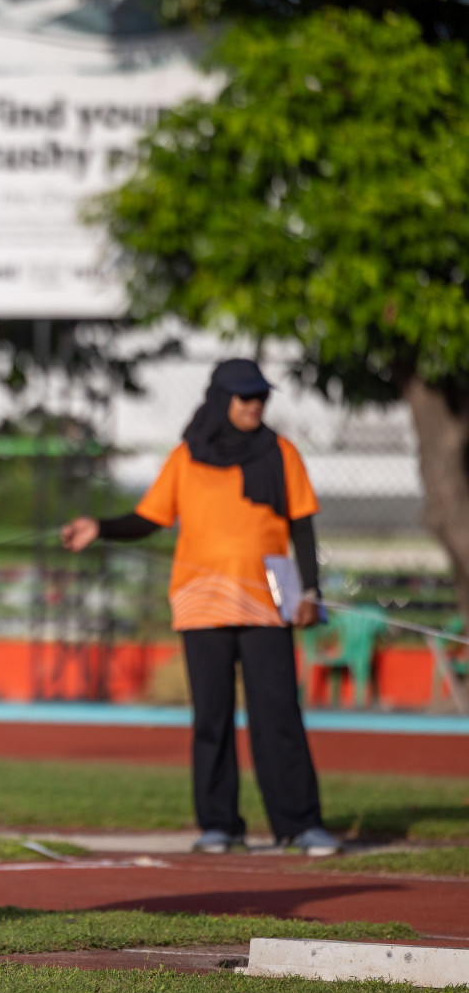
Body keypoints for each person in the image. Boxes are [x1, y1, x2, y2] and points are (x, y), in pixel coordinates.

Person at [61, 359, 339, 856]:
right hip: (199, 603)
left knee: (278, 715)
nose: (255, 405)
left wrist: (310, 593)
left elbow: (302, 526)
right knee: (212, 718)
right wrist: (100, 527)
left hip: (266, 605)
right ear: (220, 400)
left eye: (260, 397)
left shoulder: (282, 453)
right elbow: (149, 518)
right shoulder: (186, 458)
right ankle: (219, 825)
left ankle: (300, 824)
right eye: (245, 397)